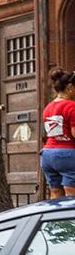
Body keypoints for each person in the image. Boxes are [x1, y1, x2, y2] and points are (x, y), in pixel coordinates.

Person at [43, 69, 75, 201]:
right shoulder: (71, 106)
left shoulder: (48, 108)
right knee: (71, 195)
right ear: (69, 87)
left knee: (55, 195)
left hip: (47, 155)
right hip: (67, 155)